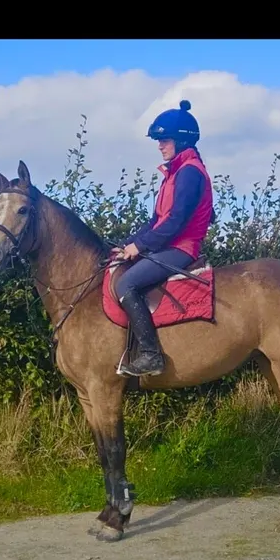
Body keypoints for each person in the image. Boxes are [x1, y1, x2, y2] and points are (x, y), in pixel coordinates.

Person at [113, 99, 214, 376]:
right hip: (169, 243)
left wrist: (141, 246)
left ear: (181, 141)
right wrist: (128, 245)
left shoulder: (190, 172)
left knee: (127, 283)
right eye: (159, 140)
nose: (159, 145)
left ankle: (150, 354)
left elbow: (176, 223)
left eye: (164, 140)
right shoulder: (175, 173)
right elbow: (156, 221)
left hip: (182, 246)